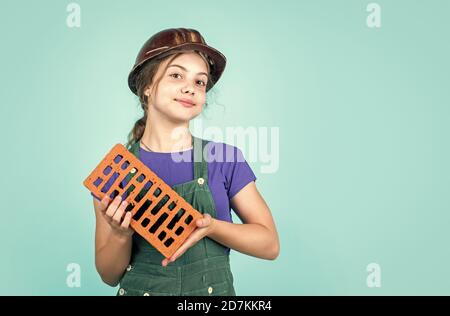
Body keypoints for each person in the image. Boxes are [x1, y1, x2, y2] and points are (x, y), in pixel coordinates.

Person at [91, 28, 280, 296]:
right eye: (176, 75)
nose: (190, 87)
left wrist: (210, 226)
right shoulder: (115, 171)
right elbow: (109, 275)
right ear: (147, 87)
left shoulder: (224, 160)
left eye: (200, 82)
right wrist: (121, 235)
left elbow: (269, 244)